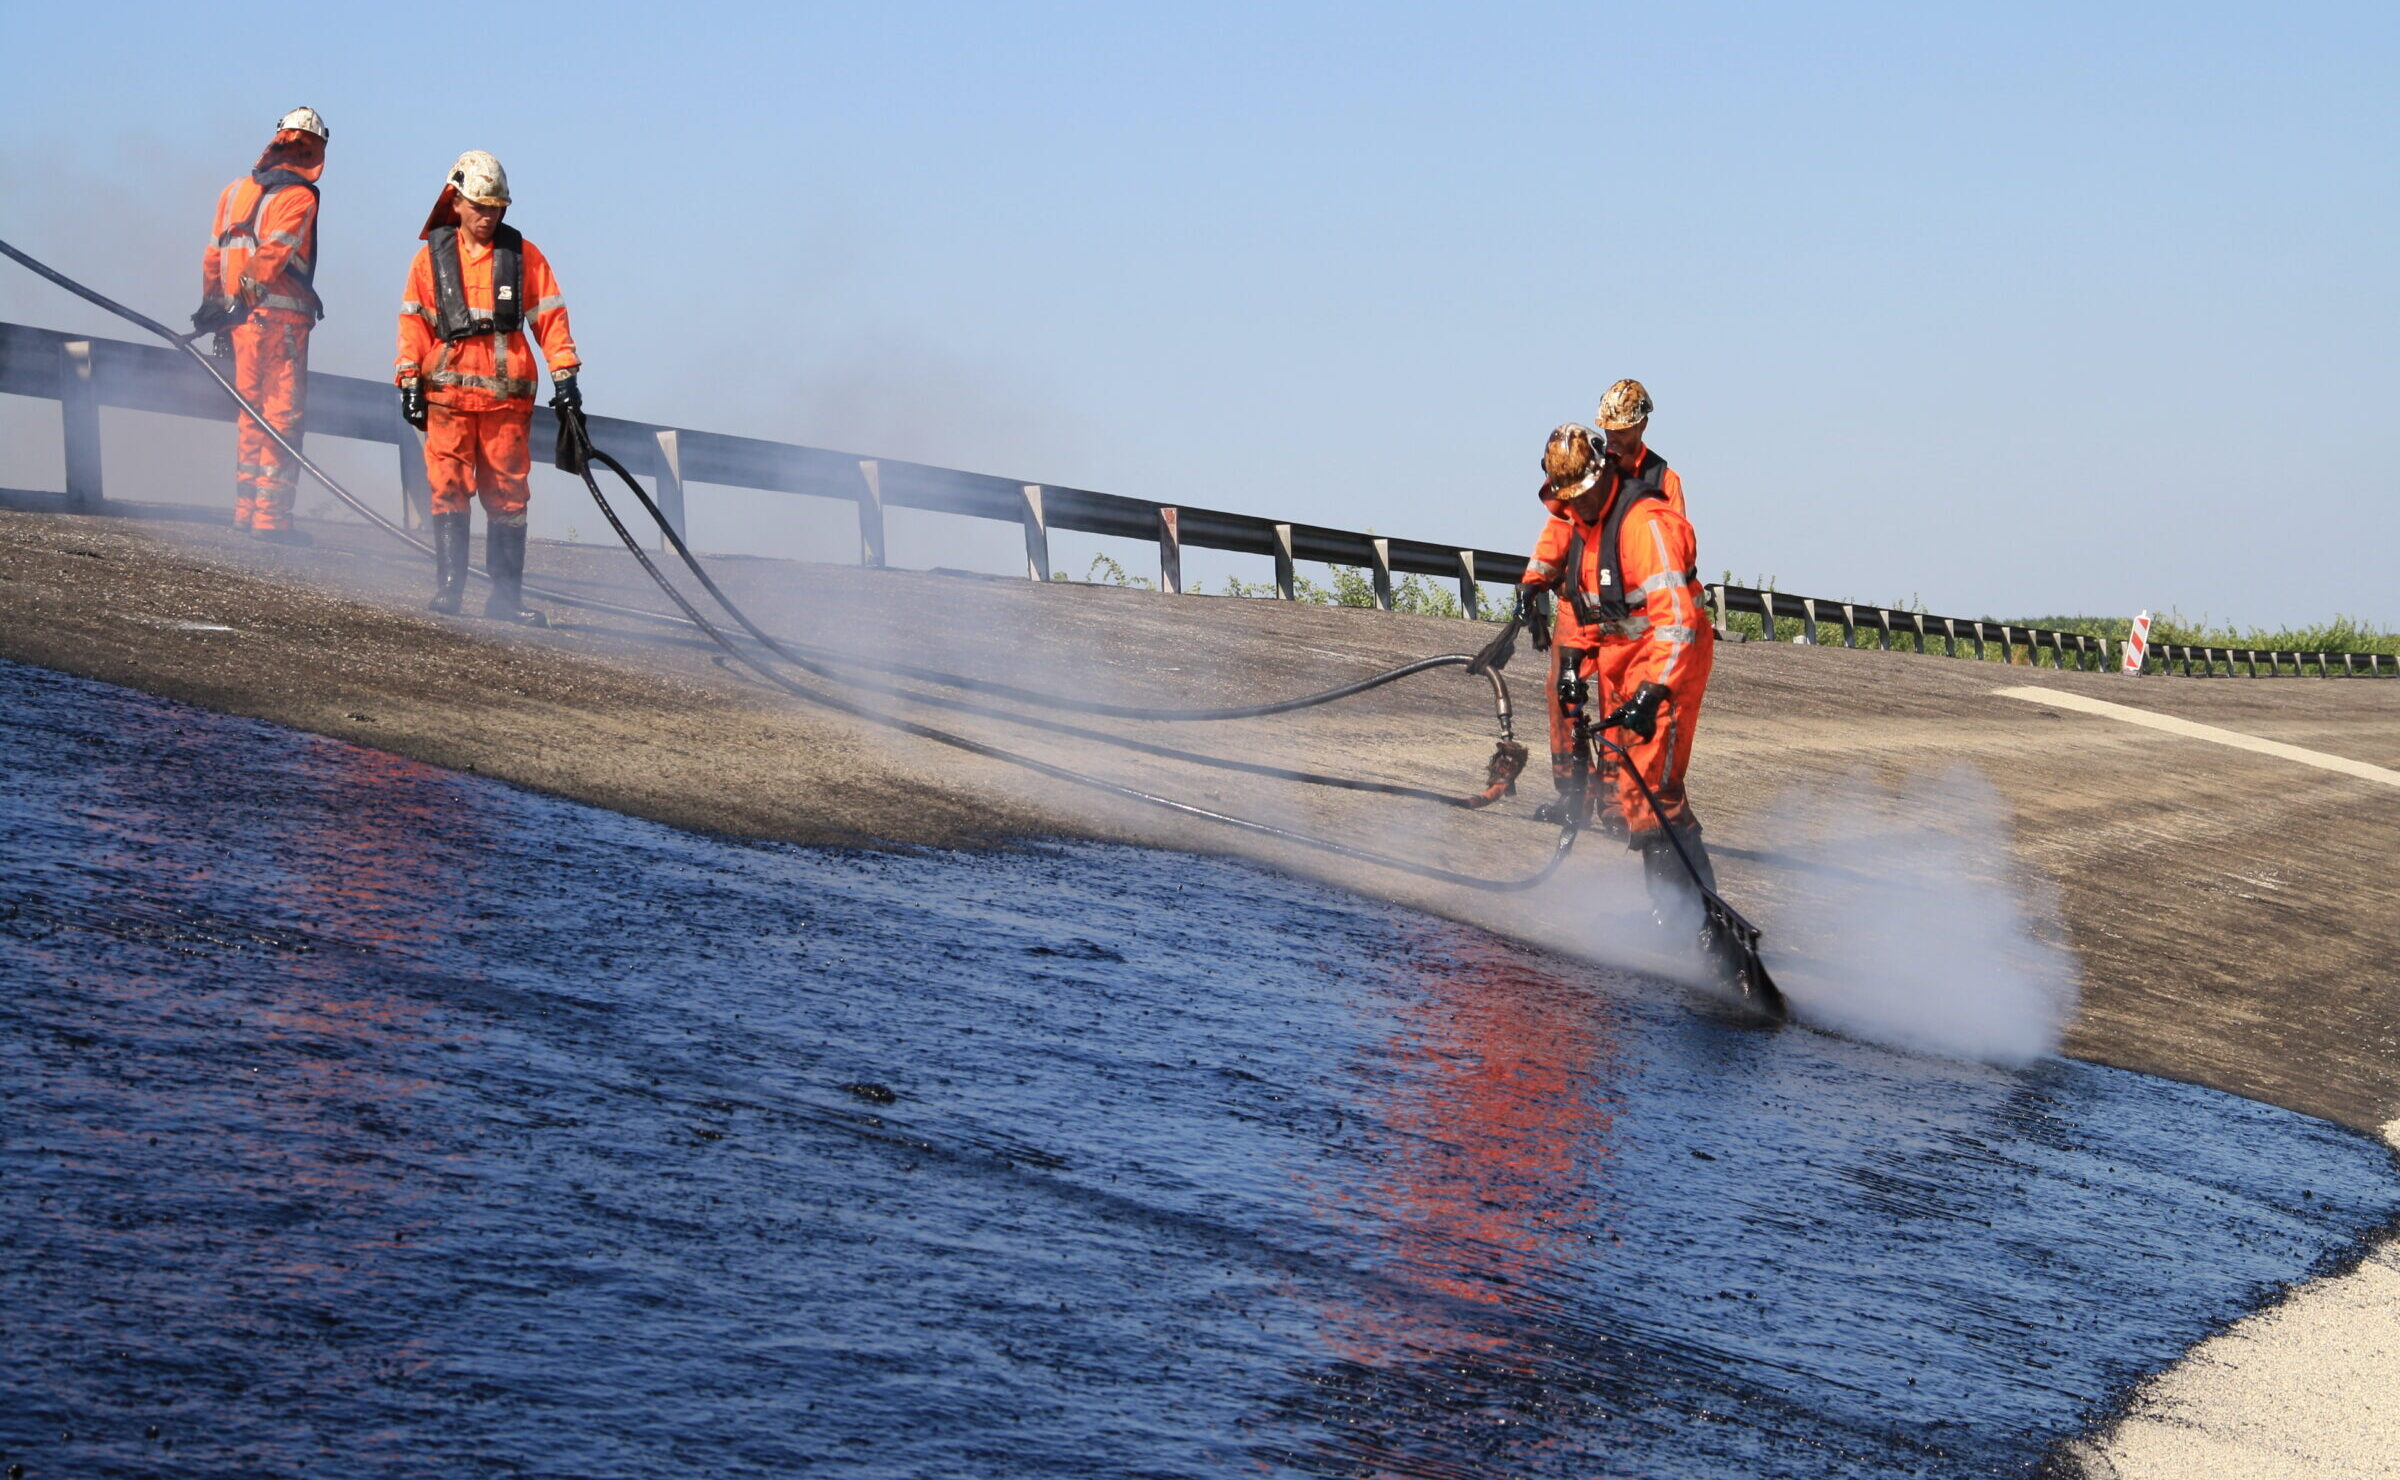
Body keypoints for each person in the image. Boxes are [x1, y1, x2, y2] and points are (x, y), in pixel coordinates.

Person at [1514, 380, 1720, 918]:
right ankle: (1674, 913)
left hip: (1666, 662)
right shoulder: (1586, 523)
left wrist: (1653, 692)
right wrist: (1572, 664)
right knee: (1634, 792)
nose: (1572, 508)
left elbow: (1675, 622)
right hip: (1622, 658)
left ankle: (1695, 919)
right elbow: (1590, 606)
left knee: (1654, 792)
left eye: (1578, 496)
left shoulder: (1645, 521)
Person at [394, 151, 581, 624]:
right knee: (448, 487)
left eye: (497, 207)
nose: (489, 216)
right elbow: (413, 323)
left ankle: (505, 598)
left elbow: (551, 319)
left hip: (506, 400)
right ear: (455, 202)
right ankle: (451, 589)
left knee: (508, 496)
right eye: (480, 206)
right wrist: (408, 377)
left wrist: (566, 377)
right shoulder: (430, 260)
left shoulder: (523, 257)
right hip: (448, 397)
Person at [194, 107, 328, 543]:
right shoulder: (299, 198)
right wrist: (245, 300)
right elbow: (273, 255)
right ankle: (271, 520)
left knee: (249, 414)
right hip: (280, 323)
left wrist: (216, 309)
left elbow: (214, 256)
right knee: (281, 418)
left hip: (240, 324)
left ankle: (244, 512)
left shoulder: (233, 192)